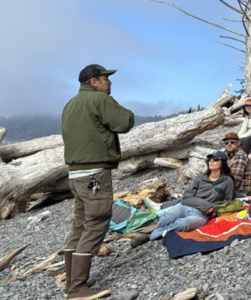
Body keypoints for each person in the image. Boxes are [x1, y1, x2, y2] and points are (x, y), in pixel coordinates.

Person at [61, 64, 135, 299]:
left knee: (80, 223)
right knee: (97, 220)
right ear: (94, 82)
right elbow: (124, 122)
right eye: (105, 79)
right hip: (94, 172)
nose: (109, 82)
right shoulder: (99, 100)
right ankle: (77, 288)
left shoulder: (70, 104)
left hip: (75, 174)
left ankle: (71, 282)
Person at [137, 151, 235, 244]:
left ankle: (150, 236)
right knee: (166, 218)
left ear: (223, 163)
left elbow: (228, 201)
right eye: (210, 159)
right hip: (185, 206)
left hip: (202, 215)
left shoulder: (227, 181)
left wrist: (213, 207)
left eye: (215, 159)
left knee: (183, 224)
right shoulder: (200, 178)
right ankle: (157, 233)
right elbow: (186, 197)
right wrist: (206, 205)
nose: (211, 161)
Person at [222, 132, 251, 197]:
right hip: (232, 189)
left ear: (238, 143)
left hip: (241, 192)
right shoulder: (230, 155)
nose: (229, 144)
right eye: (226, 142)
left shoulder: (240, 155)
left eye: (232, 142)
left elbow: (235, 180)